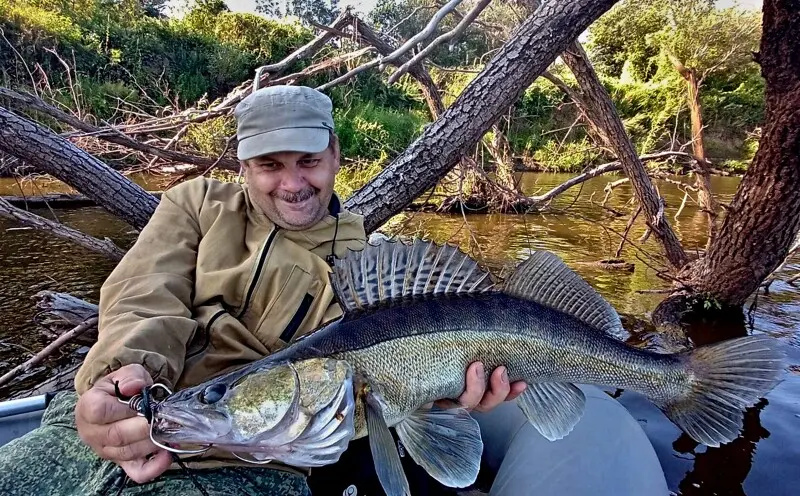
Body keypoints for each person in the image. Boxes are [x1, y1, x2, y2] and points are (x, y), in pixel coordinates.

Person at [0, 85, 668, 496]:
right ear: (242, 165)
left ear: (336, 156)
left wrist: (456, 401)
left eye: (307, 163)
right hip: (123, 416)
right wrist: (126, 374)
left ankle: (677, 380)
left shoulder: (361, 264)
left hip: (245, 465)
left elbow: (377, 403)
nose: (292, 184)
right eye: (269, 165)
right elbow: (148, 293)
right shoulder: (194, 206)